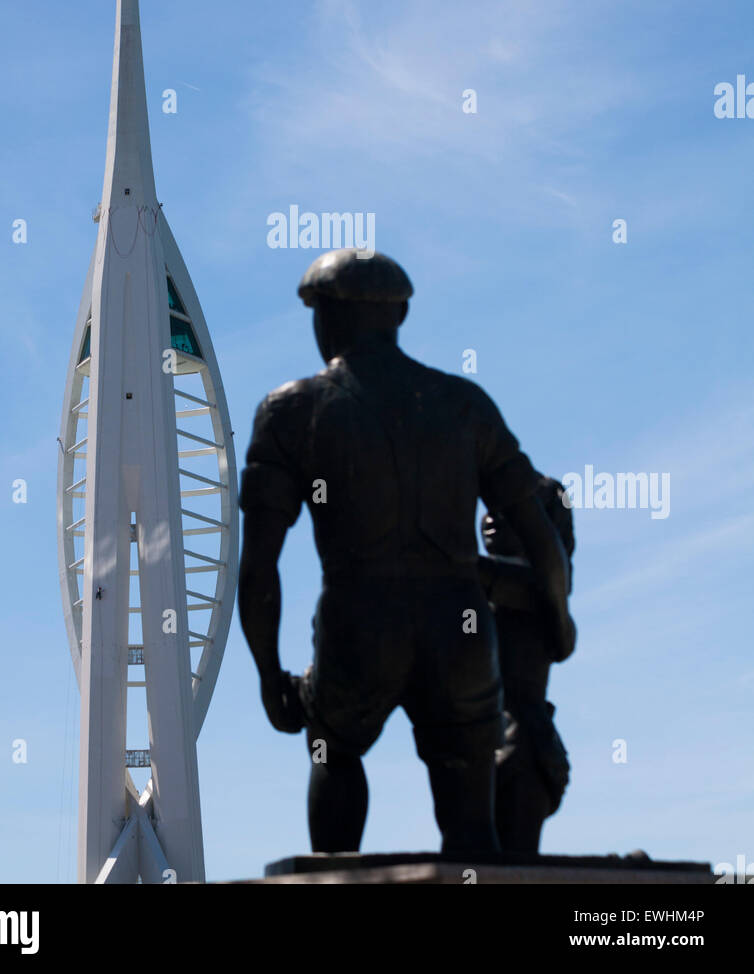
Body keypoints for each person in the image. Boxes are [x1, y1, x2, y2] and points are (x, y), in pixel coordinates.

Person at [238, 248, 575, 855]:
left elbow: (260, 566)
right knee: (473, 819)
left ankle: (335, 874)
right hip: (460, 626)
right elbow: (538, 529)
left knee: (334, 749)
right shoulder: (465, 405)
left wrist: (270, 677)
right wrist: (560, 612)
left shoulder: (292, 410)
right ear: (399, 314)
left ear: (330, 318)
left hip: (357, 621)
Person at [479, 476, 575, 852]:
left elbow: (475, 572)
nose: (491, 517)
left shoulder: (539, 590)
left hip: (521, 751)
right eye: (488, 508)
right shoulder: (484, 591)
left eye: (509, 510)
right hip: (485, 749)